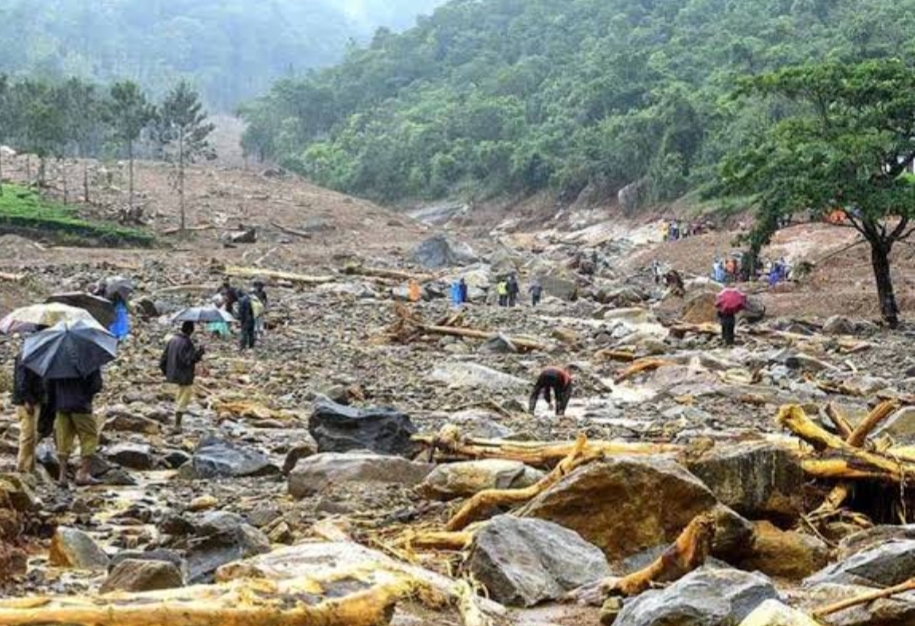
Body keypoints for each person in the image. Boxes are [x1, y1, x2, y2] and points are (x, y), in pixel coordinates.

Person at [53, 369, 103, 487]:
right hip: (80, 405)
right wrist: (86, 395)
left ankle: (62, 476)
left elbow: (50, 384)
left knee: (63, 439)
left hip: (62, 405)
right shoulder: (88, 359)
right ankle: (84, 474)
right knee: (89, 437)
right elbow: (96, 385)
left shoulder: (57, 361)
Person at [160, 321, 206, 432]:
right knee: (183, 398)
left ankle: (176, 422)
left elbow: (163, 359)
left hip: (173, 374)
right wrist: (200, 352)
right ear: (191, 330)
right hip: (184, 375)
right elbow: (188, 360)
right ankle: (177, 425)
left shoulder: (172, 340)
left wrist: (167, 372)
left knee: (178, 397)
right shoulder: (186, 342)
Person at [12, 344, 45, 474]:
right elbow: (21, 380)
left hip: (33, 399)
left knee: (31, 435)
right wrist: (27, 400)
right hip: (27, 402)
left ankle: (29, 467)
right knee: (28, 435)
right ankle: (22, 468)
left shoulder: (31, 354)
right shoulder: (25, 356)